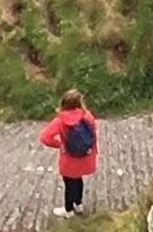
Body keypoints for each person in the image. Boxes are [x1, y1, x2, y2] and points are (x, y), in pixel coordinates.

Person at [39, 89, 98, 219]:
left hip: (69, 159)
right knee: (78, 180)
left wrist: (60, 144)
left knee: (69, 183)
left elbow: (44, 137)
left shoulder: (61, 120)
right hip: (85, 157)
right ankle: (79, 204)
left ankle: (68, 210)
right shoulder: (87, 116)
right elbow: (92, 134)